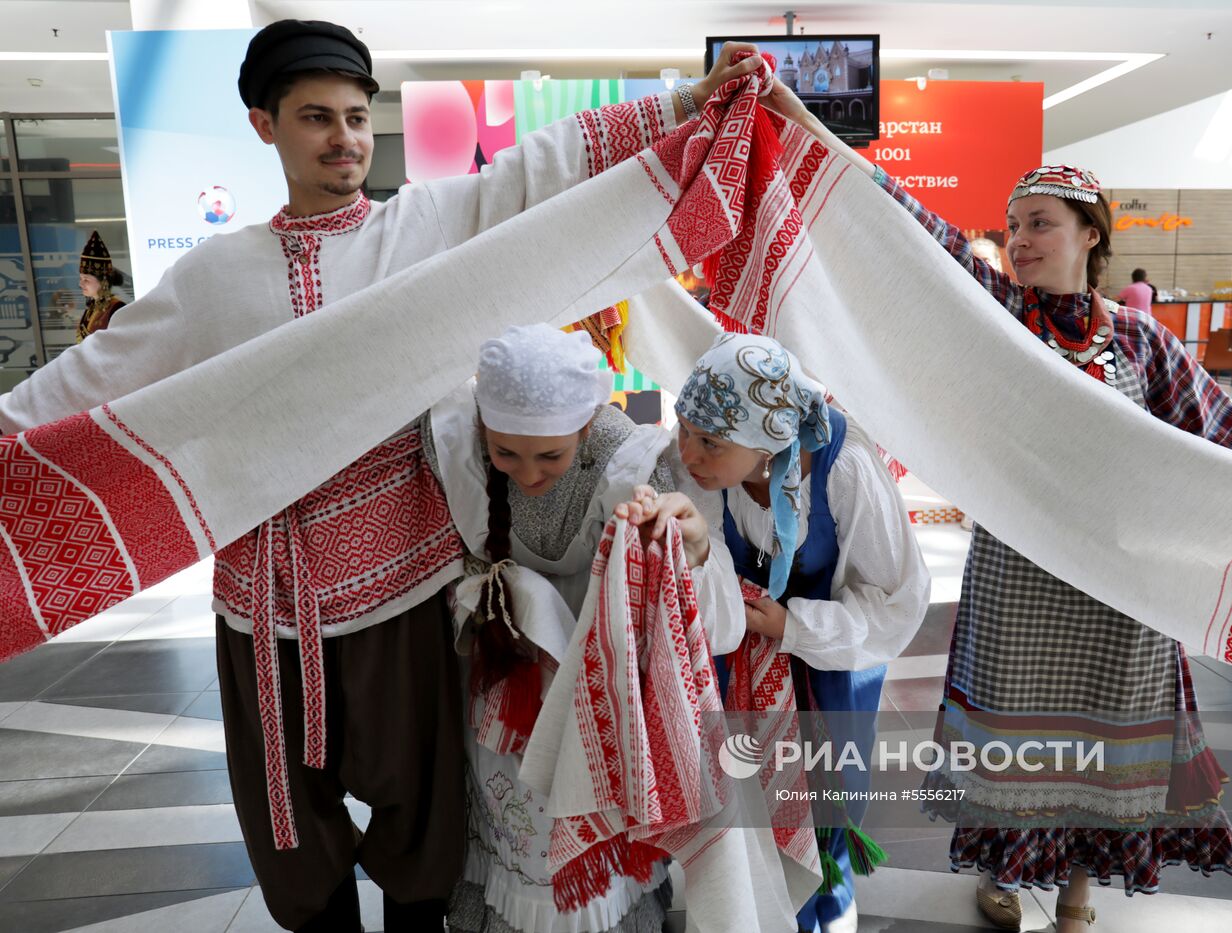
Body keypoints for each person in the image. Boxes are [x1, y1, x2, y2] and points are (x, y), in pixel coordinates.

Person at [0, 19, 762, 932]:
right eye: (316, 117)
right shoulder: (215, 278)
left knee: (424, 838)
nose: (345, 139)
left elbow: (538, 170)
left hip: (406, 591)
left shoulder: (422, 230)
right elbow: (88, 382)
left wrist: (685, 100)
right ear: (264, 125)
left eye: (358, 117)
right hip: (264, 605)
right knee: (293, 847)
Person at [752, 83, 1232, 926]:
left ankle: (1080, 892)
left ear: (1091, 235)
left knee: (1099, 742)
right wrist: (806, 128)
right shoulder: (998, 315)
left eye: (1040, 223)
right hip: (1017, 578)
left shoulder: (1141, 342)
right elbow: (909, 226)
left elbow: (1228, 434)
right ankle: (1005, 875)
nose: (1018, 241)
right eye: (1013, 225)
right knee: (1014, 740)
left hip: (1117, 590)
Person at [426, 324, 746, 933]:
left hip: (601, 684)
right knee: (514, 816)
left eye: (551, 456)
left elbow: (710, 626)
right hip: (504, 682)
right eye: (506, 454)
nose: (527, 474)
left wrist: (693, 548)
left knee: (578, 813)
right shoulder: (457, 447)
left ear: (588, 422)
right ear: (482, 433)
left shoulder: (635, 461)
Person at [670, 333, 931, 933]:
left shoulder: (846, 471)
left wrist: (796, 625)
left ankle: (824, 908)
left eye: (708, 442)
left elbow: (896, 600)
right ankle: (757, 908)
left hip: (830, 666)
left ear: (768, 447)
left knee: (823, 800)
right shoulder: (710, 471)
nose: (688, 453)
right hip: (742, 665)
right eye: (685, 429)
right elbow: (702, 562)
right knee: (747, 794)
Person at [75, 230, 125, 340]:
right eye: (81, 278)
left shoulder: (117, 308)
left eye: (86, 279)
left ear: (103, 282)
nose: (80, 283)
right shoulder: (91, 307)